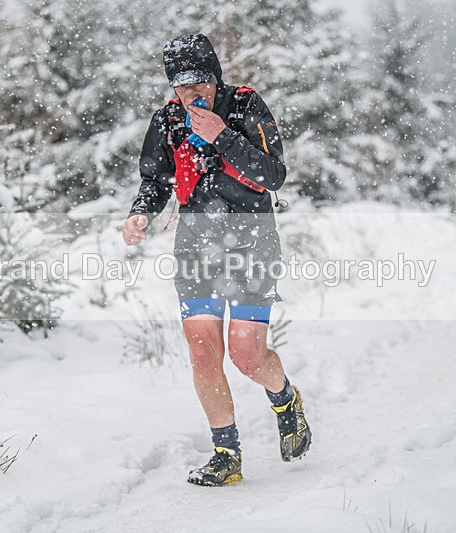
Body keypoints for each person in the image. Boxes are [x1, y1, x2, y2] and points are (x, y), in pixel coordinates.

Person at [121, 34, 311, 486]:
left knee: (247, 357)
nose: (192, 94)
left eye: (200, 83)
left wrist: (222, 137)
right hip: (195, 246)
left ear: (216, 77)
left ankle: (285, 400)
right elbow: (155, 180)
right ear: (172, 88)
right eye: (182, 87)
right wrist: (140, 213)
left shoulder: (245, 107)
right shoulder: (168, 121)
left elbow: (274, 175)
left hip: (251, 242)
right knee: (204, 353)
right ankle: (226, 454)